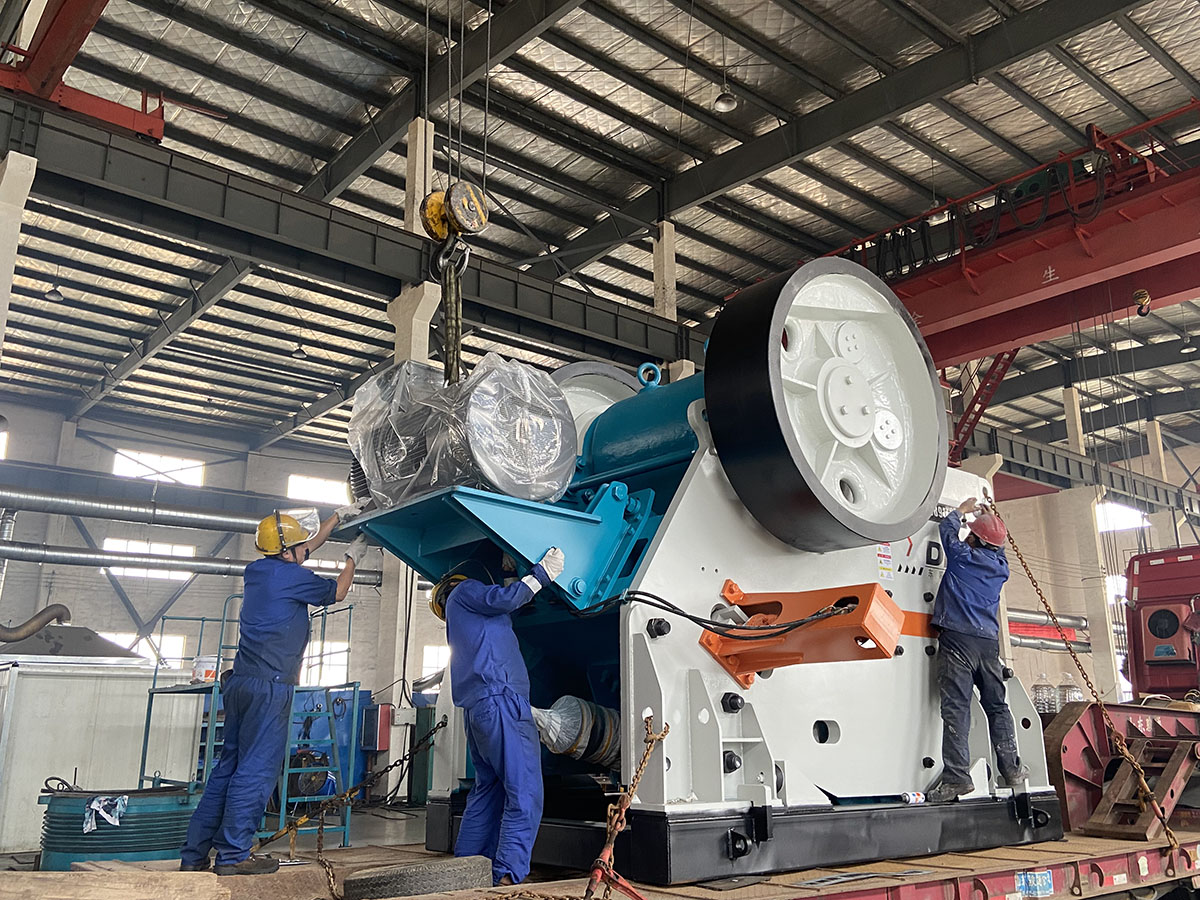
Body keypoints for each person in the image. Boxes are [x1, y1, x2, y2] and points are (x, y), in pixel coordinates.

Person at [180, 500, 371, 875]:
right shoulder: (291, 578)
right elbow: (338, 592)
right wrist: (352, 558)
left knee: (227, 769)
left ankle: (194, 855)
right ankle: (233, 856)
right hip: (270, 689)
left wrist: (336, 519)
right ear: (286, 552)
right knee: (256, 771)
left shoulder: (258, 571)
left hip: (241, 684)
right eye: (298, 546)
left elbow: (303, 548)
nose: (304, 549)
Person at [429, 547, 565, 886]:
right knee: (525, 791)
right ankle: (506, 875)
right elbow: (505, 599)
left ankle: (466, 870)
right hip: (501, 701)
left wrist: (510, 573)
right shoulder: (466, 591)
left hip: (480, 710)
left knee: (488, 790)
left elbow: (503, 606)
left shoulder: (462, 618)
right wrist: (542, 574)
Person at [928, 496, 1029, 803]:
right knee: (997, 707)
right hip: (988, 645)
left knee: (956, 710)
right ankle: (1012, 770)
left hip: (958, 641)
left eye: (971, 533)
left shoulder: (962, 557)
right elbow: (997, 547)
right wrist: (991, 523)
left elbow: (946, 530)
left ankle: (958, 778)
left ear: (974, 539)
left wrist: (960, 512)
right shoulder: (1001, 568)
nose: (966, 535)